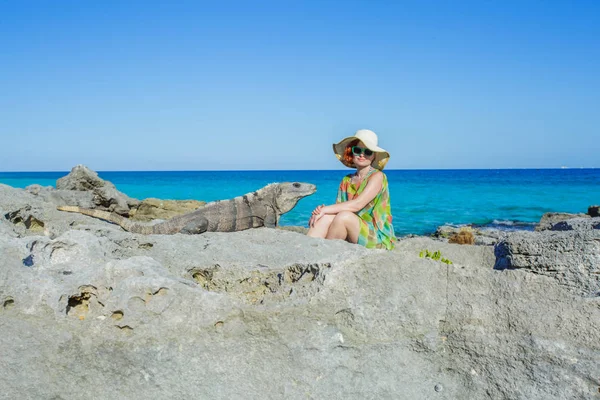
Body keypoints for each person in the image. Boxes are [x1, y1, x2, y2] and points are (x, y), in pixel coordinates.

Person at [307, 129, 396, 250]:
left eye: (368, 152)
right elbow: (340, 209)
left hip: (375, 236)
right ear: (351, 152)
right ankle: (306, 254)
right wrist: (321, 211)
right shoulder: (347, 180)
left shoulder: (378, 176)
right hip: (353, 231)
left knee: (344, 216)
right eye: (358, 150)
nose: (362, 155)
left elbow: (357, 205)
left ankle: (324, 254)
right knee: (324, 218)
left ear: (374, 155)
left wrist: (326, 209)